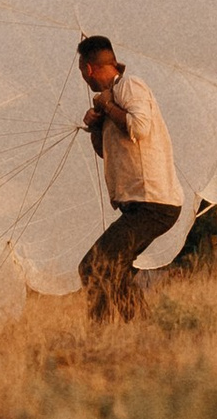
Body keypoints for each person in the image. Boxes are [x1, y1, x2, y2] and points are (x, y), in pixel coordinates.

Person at [75, 37, 182, 320]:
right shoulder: (112, 98)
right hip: (143, 204)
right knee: (115, 269)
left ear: (87, 69)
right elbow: (106, 153)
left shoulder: (129, 86)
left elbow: (140, 126)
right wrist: (97, 126)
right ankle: (142, 332)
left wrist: (108, 107)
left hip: (153, 203)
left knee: (93, 266)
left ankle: (100, 337)